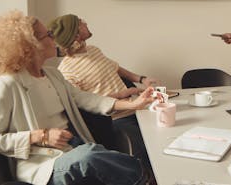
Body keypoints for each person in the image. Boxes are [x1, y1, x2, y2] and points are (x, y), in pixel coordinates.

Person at [0, 10, 156, 185]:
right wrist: (39, 136)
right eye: (49, 35)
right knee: (90, 155)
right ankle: (147, 178)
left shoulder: (54, 75)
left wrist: (134, 104)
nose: (55, 39)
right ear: (31, 46)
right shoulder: (5, 85)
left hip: (74, 148)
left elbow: (87, 99)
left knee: (91, 153)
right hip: (44, 165)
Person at [48, 14, 157, 182]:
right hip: (116, 120)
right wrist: (123, 95)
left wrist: (141, 79)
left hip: (136, 108)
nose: (85, 21)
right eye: (80, 22)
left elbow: (116, 68)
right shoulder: (66, 70)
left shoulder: (94, 50)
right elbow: (86, 105)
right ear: (76, 34)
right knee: (149, 148)